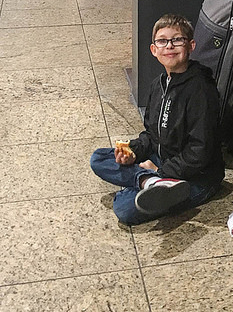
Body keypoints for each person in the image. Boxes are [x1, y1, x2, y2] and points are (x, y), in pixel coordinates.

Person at [90, 14, 225, 225]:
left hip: (195, 176)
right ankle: (148, 182)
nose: (169, 46)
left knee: (124, 209)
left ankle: (147, 181)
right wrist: (133, 151)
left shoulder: (201, 90)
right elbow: (152, 135)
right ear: (154, 50)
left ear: (191, 45)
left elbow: (200, 152)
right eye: (162, 41)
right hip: (162, 161)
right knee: (99, 158)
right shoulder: (159, 84)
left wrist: (161, 170)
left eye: (177, 40)